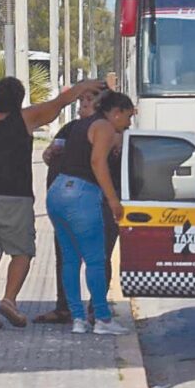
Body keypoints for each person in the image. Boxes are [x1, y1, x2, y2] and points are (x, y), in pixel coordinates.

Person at [0, 76, 104, 330]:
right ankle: (9, 299)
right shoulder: (26, 118)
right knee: (22, 252)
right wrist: (81, 88)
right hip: (17, 197)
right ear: (19, 99)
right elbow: (59, 102)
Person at [46, 91, 134, 335]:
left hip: (57, 192)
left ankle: (78, 319)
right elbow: (97, 162)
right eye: (127, 116)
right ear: (116, 112)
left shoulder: (80, 125)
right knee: (95, 260)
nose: (128, 123)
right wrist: (113, 200)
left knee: (70, 260)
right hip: (82, 195)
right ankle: (102, 319)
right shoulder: (104, 127)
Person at [34, 87, 101, 325]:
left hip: (92, 202)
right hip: (64, 203)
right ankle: (65, 307)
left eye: (89, 99)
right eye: (82, 99)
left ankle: (97, 310)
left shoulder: (104, 129)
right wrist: (50, 153)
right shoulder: (70, 128)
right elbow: (48, 155)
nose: (83, 103)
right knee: (66, 257)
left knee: (97, 258)